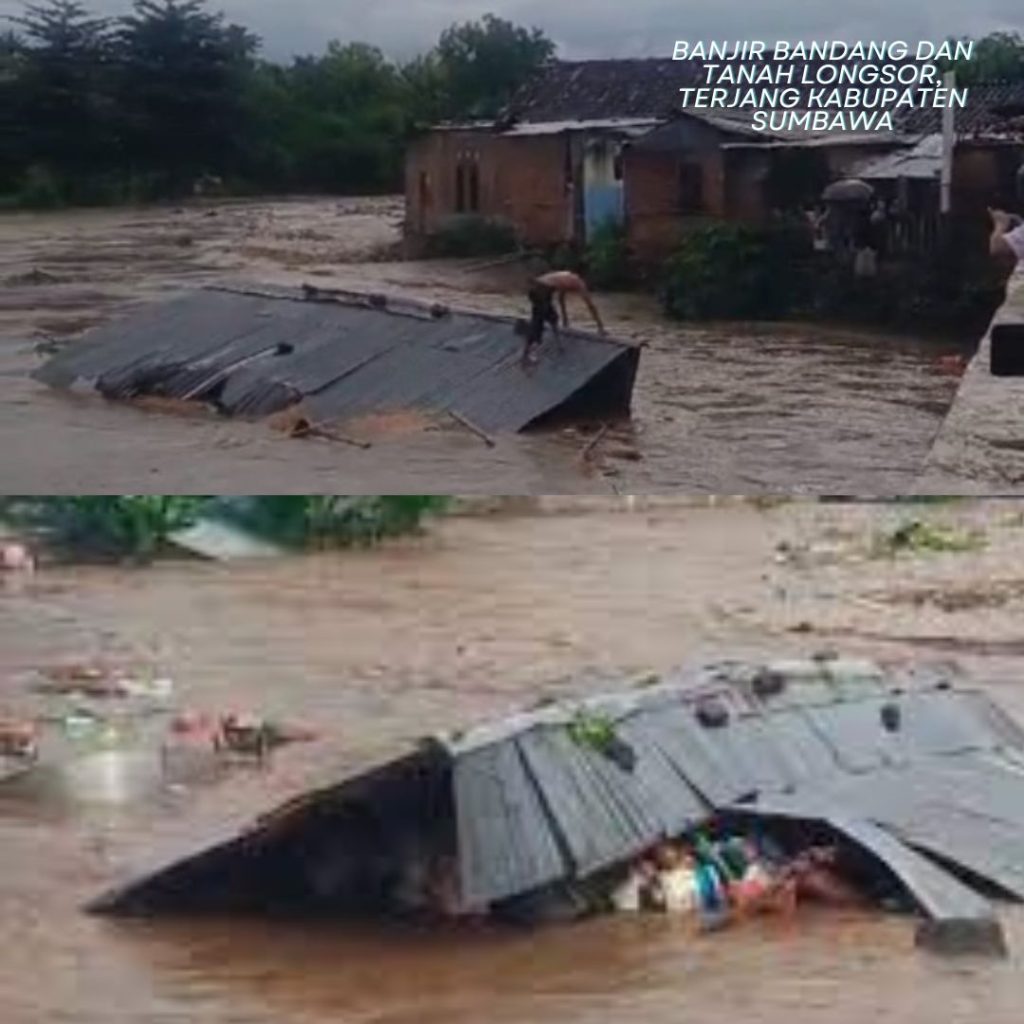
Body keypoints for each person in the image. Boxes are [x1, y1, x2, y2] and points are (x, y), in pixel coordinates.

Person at [521, 270, 606, 366]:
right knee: (538, 322)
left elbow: (561, 300)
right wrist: (600, 327)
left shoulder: (565, 278)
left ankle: (557, 343)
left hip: (538, 289)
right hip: (541, 289)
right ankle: (530, 354)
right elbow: (591, 306)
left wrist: (565, 320)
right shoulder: (578, 283)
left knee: (552, 317)